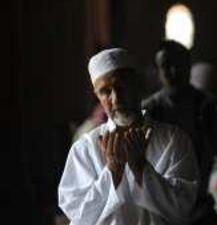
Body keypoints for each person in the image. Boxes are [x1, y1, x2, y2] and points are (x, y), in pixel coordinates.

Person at [58, 48, 200, 225]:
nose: (116, 99)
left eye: (121, 86)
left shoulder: (173, 140)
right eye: (105, 92)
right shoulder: (85, 148)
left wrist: (141, 168)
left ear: (138, 85)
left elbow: (182, 209)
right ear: (97, 96)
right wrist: (112, 172)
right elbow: (78, 216)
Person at [142, 40, 217, 225]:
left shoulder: (208, 107)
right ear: (158, 70)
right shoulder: (149, 111)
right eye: (166, 66)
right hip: (157, 204)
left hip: (198, 201)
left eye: (178, 65)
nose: (173, 71)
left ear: (189, 66)